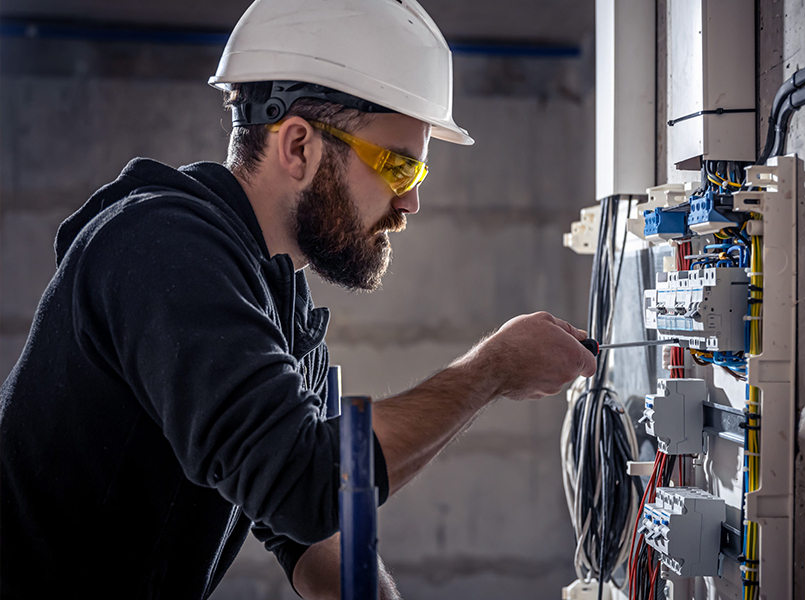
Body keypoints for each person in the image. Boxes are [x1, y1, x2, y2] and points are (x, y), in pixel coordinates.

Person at [0, 0, 597, 598]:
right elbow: (304, 480)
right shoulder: (161, 249)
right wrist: (489, 370)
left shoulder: (274, 302)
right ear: (298, 147)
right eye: (397, 167)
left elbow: (309, 527)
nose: (410, 202)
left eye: (417, 177)